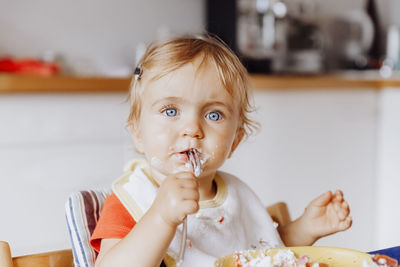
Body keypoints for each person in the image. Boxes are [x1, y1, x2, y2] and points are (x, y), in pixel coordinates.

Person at [90, 34, 352, 267]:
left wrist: (303, 230)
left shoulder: (236, 196)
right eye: (171, 111)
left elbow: (259, 254)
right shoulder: (133, 199)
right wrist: (161, 218)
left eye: (214, 115)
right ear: (137, 133)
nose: (192, 128)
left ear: (235, 142)